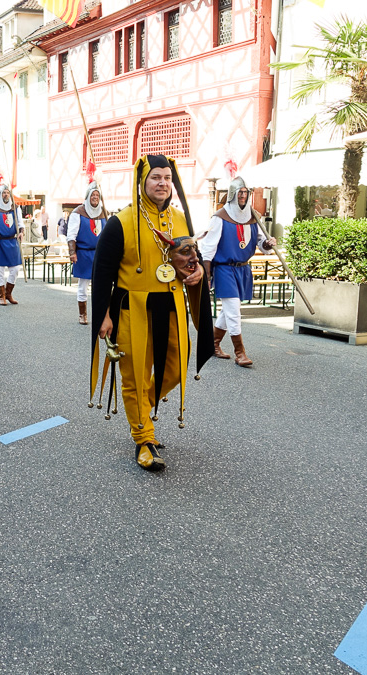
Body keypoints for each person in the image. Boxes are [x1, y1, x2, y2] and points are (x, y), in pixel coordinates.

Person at [91, 154, 213, 472]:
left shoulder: (180, 219)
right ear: (142, 181)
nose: (162, 183)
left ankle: (141, 405)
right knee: (133, 377)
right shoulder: (122, 221)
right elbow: (102, 271)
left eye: (167, 178)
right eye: (155, 177)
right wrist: (103, 314)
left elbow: (188, 258)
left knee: (174, 370)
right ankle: (144, 438)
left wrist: (195, 271)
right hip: (133, 310)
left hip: (172, 306)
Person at [200, 176, 276, 367]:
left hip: (243, 269)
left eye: (245, 192)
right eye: (240, 192)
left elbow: (261, 243)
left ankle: (214, 344)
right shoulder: (219, 218)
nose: (243, 196)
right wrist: (207, 274)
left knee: (229, 311)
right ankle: (240, 352)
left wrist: (268, 243)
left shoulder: (253, 217)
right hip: (225, 269)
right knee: (233, 311)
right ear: (232, 194)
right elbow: (208, 247)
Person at [67, 183, 109, 325]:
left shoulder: (104, 212)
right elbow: (71, 235)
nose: (95, 198)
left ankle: (102, 314)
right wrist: (72, 252)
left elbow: (108, 234)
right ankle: (83, 314)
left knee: (102, 286)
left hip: (101, 254)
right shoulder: (78, 213)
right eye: (93, 195)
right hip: (84, 253)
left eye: (97, 196)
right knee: (83, 285)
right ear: (87, 197)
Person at [0, 185, 24, 305]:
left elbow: (21, 224)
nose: (6, 195)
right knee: (0, 270)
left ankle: (8, 294)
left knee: (15, 269)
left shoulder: (16, 209)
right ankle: (1, 296)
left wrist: (21, 232)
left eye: (7, 193)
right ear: (0, 195)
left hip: (12, 242)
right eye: (3, 193)